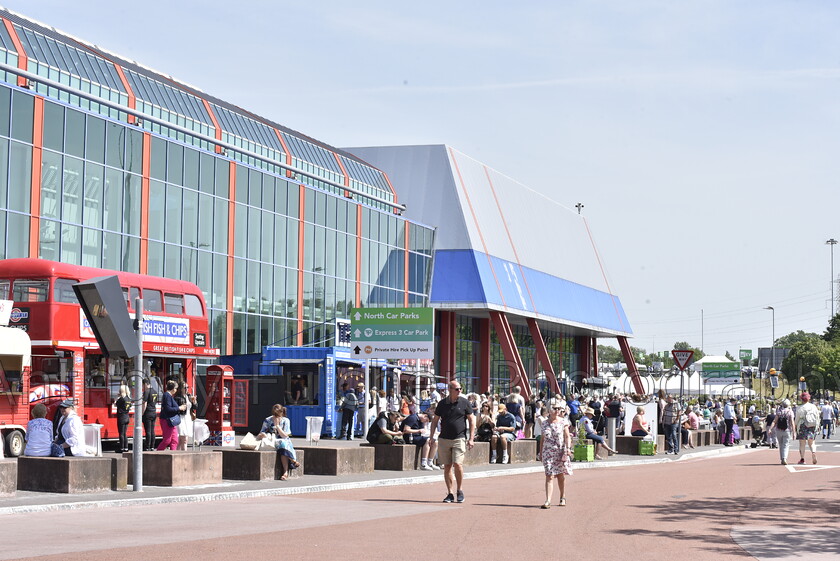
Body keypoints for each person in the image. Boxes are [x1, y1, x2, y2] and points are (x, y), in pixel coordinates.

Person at [430, 380, 475, 504]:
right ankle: (450, 493)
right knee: (447, 466)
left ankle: (459, 490)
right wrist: (431, 436)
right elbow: (435, 420)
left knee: (458, 464)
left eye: (460, 389)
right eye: (457, 389)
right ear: (450, 390)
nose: (459, 391)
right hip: (444, 438)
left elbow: (471, 420)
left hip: (459, 438)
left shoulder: (465, 403)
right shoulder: (442, 403)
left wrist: (471, 438)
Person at [540, 400, 573, 508]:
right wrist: (540, 452)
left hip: (560, 451)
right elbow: (542, 438)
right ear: (549, 409)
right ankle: (548, 500)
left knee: (560, 475)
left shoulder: (563, 421)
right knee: (549, 475)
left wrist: (568, 448)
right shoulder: (544, 423)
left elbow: (567, 436)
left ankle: (562, 497)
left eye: (559, 408)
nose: (557, 411)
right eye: (555, 408)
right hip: (548, 452)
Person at [257, 404, 300, 479]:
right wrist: (263, 435)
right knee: (281, 445)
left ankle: (285, 472)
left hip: (283, 441)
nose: (276, 417)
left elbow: (285, 436)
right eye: (274, 415)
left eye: (278, 415)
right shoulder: (268, 420)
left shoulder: (286, 421)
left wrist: (277, 426)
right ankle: (293, 461)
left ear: (282, 413)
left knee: (283, 445)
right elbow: (261, 432)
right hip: (271, 440)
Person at [157, 380, 185, 451]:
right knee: (167, 440)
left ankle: (173, 454)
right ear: (173, 389)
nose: (176, 390)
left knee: (174, 440)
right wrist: (179, 408)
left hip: (171, 421)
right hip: (167, 420)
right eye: (176, 388)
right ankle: (158, 453)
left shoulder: (169, 396)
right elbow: (168, 409)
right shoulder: (167, 396)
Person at [794, 392, 820, 465]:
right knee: (811, 442)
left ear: (802, 399)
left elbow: (797, 419)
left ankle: (802, 459)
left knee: (802, 443)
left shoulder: (799, 408)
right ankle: (813, 452)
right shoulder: (813, 406)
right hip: (812, 425)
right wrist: (817, 426)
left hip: (803, 425)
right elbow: (817, 417)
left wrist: (795, 426)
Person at [769, 399, 794, 464]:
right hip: (787, 430)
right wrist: (794, 432)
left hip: (778, 430)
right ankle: (784, 458)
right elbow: (792, 422)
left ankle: (782, 458)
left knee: (780, 444)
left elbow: (774, 421)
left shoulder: (779, 412)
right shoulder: (790, 412)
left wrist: (770, 429)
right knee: (786, 444)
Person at [176, 382, 197, 450]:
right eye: (185, 388)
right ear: (181, 389)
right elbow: (175, 408)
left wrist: (194, 402)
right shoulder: (177, 397)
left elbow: (195, 407)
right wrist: (180, 407)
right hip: (181, 418)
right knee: (184, 439)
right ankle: (184, 453)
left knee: (181, 440)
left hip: (187, 418)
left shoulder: (189, 396)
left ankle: (177, 454)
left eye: (187, 387)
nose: (186, 389)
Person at [141, 378, 159, 451]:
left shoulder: (146, 392)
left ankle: (147, 446)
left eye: (142, 385)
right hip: (154, 412)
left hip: (147, 412)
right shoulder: (155, 391)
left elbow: (144, 403)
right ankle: (152, 446)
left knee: (148, 431)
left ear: (145, 384)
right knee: (152, 430)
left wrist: (141, 413)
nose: (142, 387)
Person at [115, 384, 131, 452]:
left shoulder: (121, 399)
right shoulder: (128, 399)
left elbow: (115, 404)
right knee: (125, 433)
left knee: (121, 433)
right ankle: (126, 447)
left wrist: (117, 398)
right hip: (127, 417)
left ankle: (121, 448)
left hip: (121, 417)